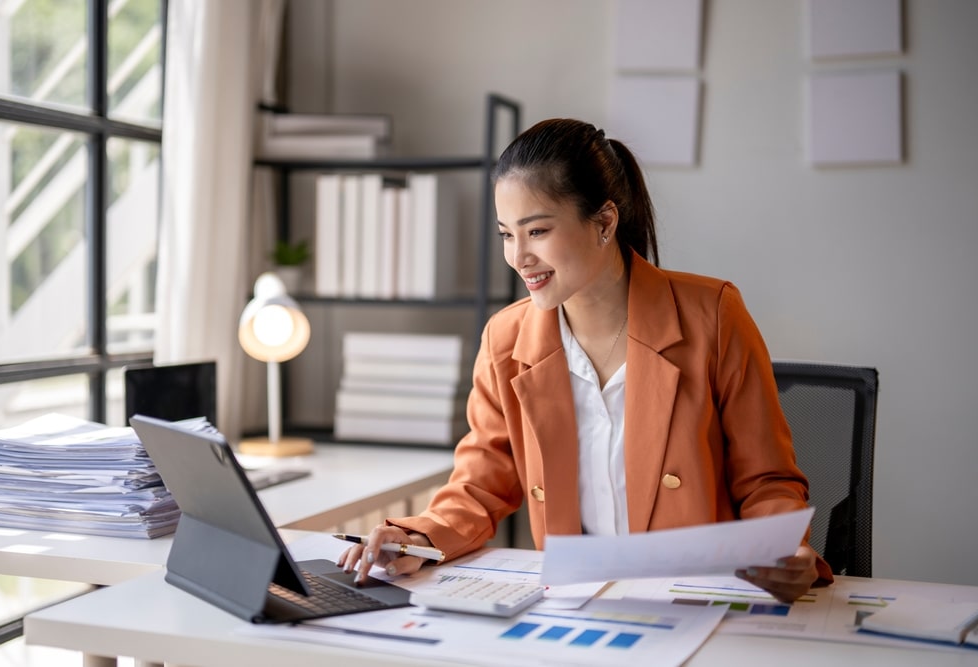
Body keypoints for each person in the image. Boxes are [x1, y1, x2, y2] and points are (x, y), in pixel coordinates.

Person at [338, 118, 833, 603]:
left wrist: (786, 548)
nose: (518, 257)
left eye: (536, 231)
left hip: (701, 599)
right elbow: (480, 483)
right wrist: (419, 538)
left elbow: (766, 480)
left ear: (604, 222)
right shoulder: (506, 339)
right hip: (579, 607)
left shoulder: (714, 316)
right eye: (507, 235)